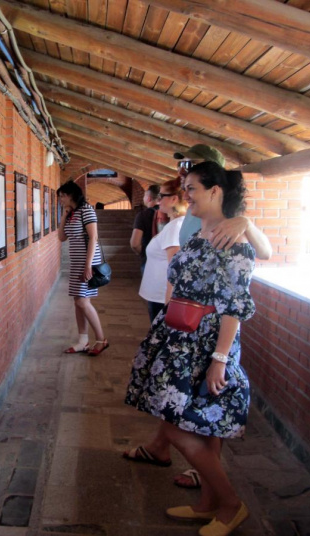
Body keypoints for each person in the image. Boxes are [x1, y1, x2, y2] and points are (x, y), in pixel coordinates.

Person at [123, 144, 272, 489]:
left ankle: (210, 479)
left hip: (204, 335)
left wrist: (219, 356)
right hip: (179, 331)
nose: (183, 185)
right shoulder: (195, 221)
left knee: (198, 410)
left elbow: (237, 295)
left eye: (189, 177)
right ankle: (193, 473)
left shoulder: (233, 228)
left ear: (214, 183)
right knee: (177, 406)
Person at [57, 181, 109, 356]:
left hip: (87, 262)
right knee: (78, 302)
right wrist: (64, 216)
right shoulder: (73, 213)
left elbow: (93, 237)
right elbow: (62, 237)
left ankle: (102, 339)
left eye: (62, 196)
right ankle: (83, 341)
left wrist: (88, 265)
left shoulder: (86, 210)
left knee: (82, 302)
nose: (60, 199)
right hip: (77, 263)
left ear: (72, 195)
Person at [139, 180, 187, 323]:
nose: (158, 201)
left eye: (162, 196)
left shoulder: (175, 227)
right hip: (158, 296)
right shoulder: (173, 225)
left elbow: (174, 269)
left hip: (162, 298)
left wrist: (168, 304)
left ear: (174, 199)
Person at [130, 185, 160, 273]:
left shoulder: (143, 215)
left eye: (144, 196)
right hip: (167, 257)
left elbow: (134, 244)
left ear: (149, 198)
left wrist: (144, 253)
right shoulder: (170, 213)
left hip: (149, 259)